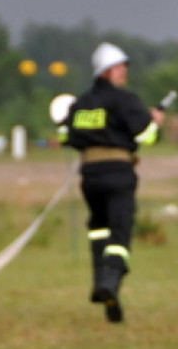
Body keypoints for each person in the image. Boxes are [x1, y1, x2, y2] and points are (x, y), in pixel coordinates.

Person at [60, 42, 166, 323]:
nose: (124, 73)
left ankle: (101, 283)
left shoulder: (80, 104)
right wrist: (154, 122)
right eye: (121, 68)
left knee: (98, 229)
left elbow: (66, 137)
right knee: (120, 234)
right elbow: (146, 137)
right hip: (118, 173)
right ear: (108, 71)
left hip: (90, 176)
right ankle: (110, 282)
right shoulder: (125, 100)